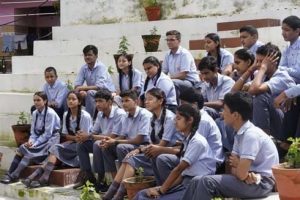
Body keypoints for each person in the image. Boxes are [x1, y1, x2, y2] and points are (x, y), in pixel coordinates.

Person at [182, 92, 279, 200]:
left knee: (206, 182)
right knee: (197, 180)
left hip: (261, 183)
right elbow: (234, 170)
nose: (222, 114)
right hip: (249, 178)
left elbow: (241, 173)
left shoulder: (251, 135)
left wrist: (242, 169)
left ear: (235, 115)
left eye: (225, 110)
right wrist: (241, 168)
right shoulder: (239, 133)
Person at [102, 88, 180, 200]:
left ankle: (118, 195)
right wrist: (139, 150)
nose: (146, 102)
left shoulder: (169, 118)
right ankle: (113, 193)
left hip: (167, 152)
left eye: (150, 99)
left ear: (160, 101)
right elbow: (152, 143)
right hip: (155, 150)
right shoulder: (153, 117)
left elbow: (163, 144)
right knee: (128, 159)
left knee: (131, 159)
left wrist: (140, 149)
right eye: (146, 99)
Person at [134, 104, 216, 200]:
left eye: (178, 118)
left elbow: (178, 169)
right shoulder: (187, 139)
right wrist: (161, 188)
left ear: (190, 120)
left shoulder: (197, 141)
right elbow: (182, 175)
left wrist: (161, 190)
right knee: (142, 194)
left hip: (196, 186)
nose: (174, 121)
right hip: (185, 182)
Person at [22, 91, 92, 188]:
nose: (70, 101)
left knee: (56, 149)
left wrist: (73, 139)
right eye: (68, 99)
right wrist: (73, 138)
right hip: (72, 143)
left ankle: (40, 176)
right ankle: (42, 177)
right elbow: (64, 135)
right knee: (55, 149)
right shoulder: (66, 114)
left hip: (82, 146)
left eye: (73, 99)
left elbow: (83, 138)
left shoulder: (85, 116)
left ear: (79, 102)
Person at [0, 91, 60, 184]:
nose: (36, 102)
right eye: (34, 100)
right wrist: (31, 142)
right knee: (23, 148)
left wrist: (35, 144)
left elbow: (48, 134)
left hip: (51, 140)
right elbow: (33, 132)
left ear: (45, 101)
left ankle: (14, 175)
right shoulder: (35, 113)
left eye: (38, 100)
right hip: (40, 139)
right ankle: (9, 173)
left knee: (29, 153)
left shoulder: (50, 113)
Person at [73, 88, 126, 192]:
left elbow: (113, 136)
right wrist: (83, 136)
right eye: (96, 101)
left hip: (116, 143)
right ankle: (88, 176)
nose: (97, 104)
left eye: (100, 101)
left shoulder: (119, 113)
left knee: (97, 144)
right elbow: (94, 132)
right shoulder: (100, 113)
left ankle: (102, 180)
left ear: (110, 102)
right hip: (104, 141)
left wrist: (89, 136)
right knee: (81, 144)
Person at [247, 43, 295, 137]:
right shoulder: (263, 75)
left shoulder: (282, 77)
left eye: (262, 62)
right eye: (258, 61)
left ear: (274, 61)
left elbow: (253, 90)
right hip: (275, 120)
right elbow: (236, 91)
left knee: (261, 97)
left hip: (287, 122)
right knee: (240, 100)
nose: (259, 65)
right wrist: (250, 70)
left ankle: (263, 138)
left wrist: (263, 68)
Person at [179, 86, 224, 169]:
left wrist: (163, 149)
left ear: (195, 105)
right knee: (163, 158)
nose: (181, 107)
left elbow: (195, 148)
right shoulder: (194, 117)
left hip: (210, 162)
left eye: (183, 104)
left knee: (166, 159)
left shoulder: (203, 121)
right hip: (198, 155)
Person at [74, 45, 115, 118]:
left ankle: (89, 118)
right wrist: (81, 91)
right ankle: (74, 118)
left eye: (89, 55)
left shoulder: (101, 67)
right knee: (73, 94)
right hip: (94, 92)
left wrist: (82, 89)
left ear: (96, 56)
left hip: (107, 92)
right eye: (85, 55)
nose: (87, 57)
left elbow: (99, 86)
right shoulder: (84, 68)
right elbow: (77, 85)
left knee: (90, 93)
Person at [279, 15, 300, 84]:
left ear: (297, 31)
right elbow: (282, 66)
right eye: (282, 29)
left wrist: (277, 68)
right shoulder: (287, 48)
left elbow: (298, 73)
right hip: (289, 79)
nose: (283, 33)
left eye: (287, 30)